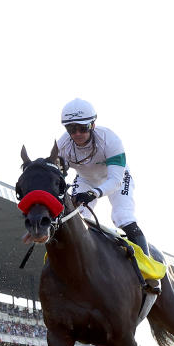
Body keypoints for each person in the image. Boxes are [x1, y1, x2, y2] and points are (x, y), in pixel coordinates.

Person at [56, 98, 160, 293]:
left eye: (82, 128)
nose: (77, 134)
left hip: (116, 177)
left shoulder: (110, 140)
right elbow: (60, 174)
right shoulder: (62, 145)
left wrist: (93, 193)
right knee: (76, 219)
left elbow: (115, 180)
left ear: (92, 124)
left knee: (122, 217)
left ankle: (149, 272)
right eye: (71, 129)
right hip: (86, 179)